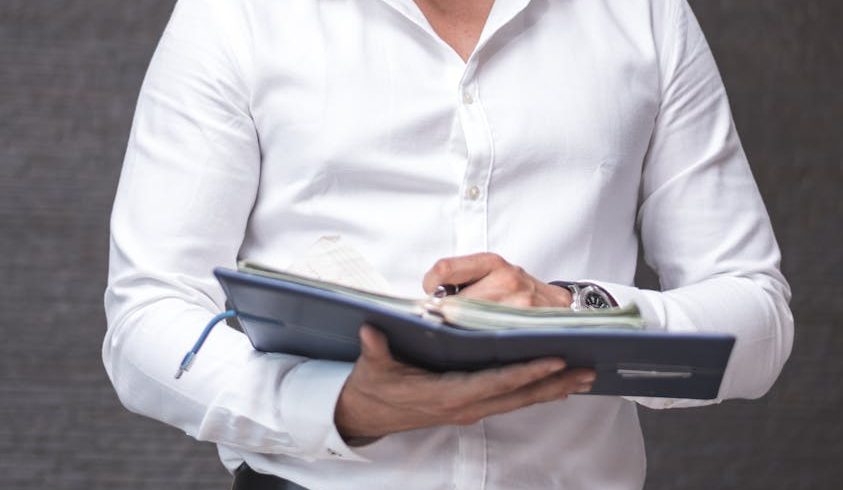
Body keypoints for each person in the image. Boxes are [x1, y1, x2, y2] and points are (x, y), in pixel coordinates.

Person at [103, 0, 794, 488]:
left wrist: (571, 309)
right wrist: (335, 407)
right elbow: (147, 318)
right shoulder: (236, 13)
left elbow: (757, 325)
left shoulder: (643, 13)